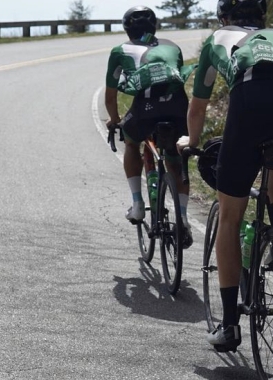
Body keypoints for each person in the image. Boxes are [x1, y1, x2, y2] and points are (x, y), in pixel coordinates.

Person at [177, 0, 273, 351]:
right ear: (262, 17)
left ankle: (228, 325)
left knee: (229, 217)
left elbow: (198, 105)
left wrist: (191, 142)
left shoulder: (215, 40)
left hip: (250, 100)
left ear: (224, 17)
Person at [105, 6, 194, 248]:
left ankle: (137, 205)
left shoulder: (119, 50)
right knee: (177, 157)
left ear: (126, 29)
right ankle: (183, 218)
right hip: (177, 107)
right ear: (154, 27)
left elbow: (111, 97)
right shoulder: (172, 46)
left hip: (144, 108)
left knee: (131, 141)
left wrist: (115, 121)